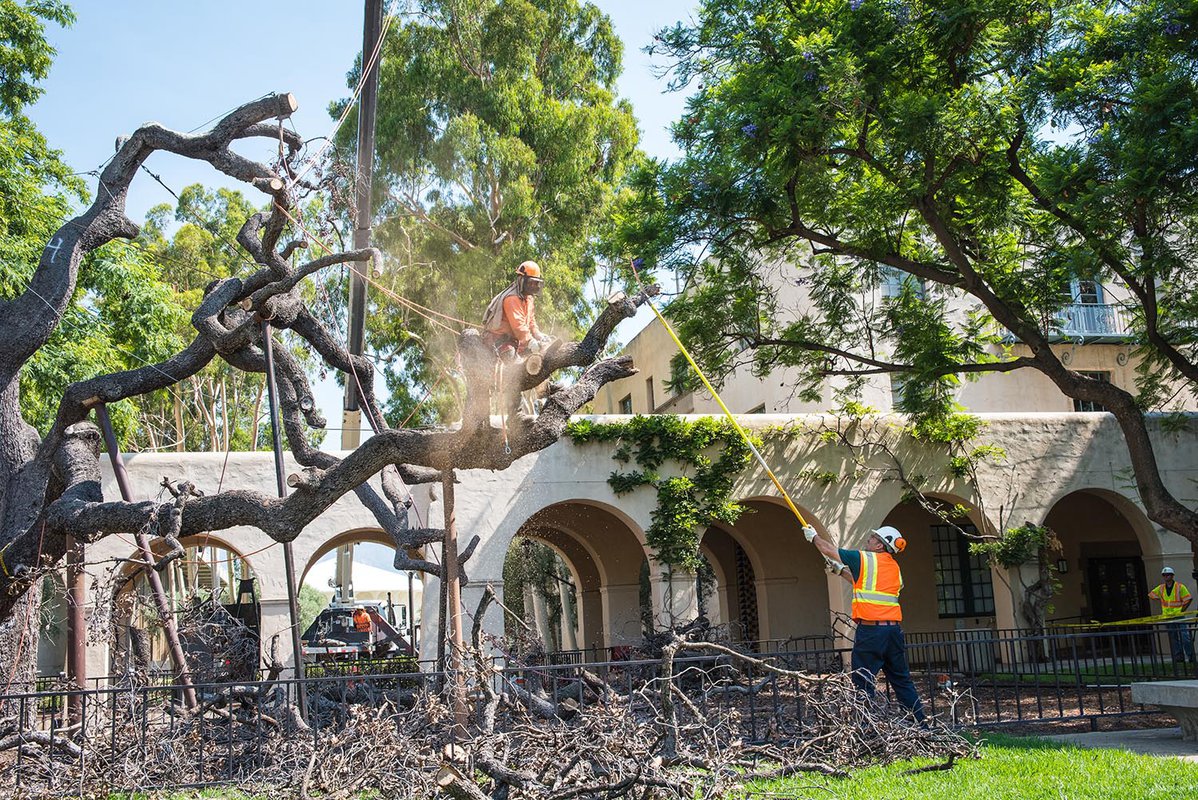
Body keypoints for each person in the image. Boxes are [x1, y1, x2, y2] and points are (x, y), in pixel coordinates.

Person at [804, 523, 927, 724]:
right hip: (893, 631)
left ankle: (864, 728)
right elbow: (860, 581)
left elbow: (827, 549)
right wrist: (839, 570)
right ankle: (920, 724)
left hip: (871, 631)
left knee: (862, 680)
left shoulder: (864, 558)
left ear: (880, 546)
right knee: (901, 680)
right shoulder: (895, 568)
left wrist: (814, 537)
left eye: (873, 538)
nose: (868, 540)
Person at [483, 260, 552, 361]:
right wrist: (530, 342)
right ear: (521, 280)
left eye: (535, 283)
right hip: (498, 340)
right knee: (511, 358)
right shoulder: (512, 299)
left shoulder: (529, 299)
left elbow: (531, 321)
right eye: (530, 283)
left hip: (515, 341)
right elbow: (518, 327)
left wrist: (538, 335)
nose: (533, 286)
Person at [1148, 567, 1195, 663]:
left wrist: (1182, 609)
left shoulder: (1179, 587)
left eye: (1168, 574)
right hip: (1168, 617)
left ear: (1172, 576)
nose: (1166, 576)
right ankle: (1179, 656)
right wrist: (1160, 599)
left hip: (1179, 616)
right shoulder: (1161, 588)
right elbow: (1151, 594)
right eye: (1164, 575)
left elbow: (1189, 598)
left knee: (1185, 637)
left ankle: (1191, 656)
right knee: (1173, 638)